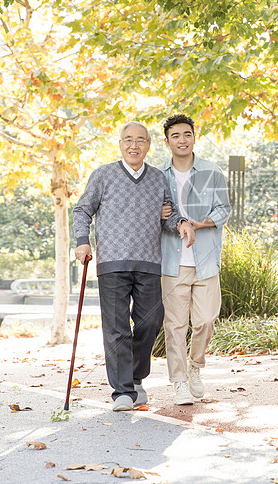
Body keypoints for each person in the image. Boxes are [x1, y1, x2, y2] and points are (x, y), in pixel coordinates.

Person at [73, 121, 195, 412]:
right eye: (128, 140)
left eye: (140, 141)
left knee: (150, 323)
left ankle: (137, 378)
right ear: (120, 144)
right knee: (116, 327)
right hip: (112, 262)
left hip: (149, 261)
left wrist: (180, 223)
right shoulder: (103, 175)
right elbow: (82, 209)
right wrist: (82, 241)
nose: (134, 146)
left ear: (149, 145)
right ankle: (123, 391)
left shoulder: (156, 178)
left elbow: (168, 215)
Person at [159, 114, 231, 405]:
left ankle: (195, 366)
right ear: (167, 142)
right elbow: (152, 213)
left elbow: (223, 210)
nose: (182, 140)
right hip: (171, 262)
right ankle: (179, 382)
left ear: (194, 137)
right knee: (175, 325)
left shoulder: (212, 172)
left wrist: (196, 224)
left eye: (187, 134)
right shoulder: (157, 175)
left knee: (206, 319)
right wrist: (163, 217)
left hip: (206, 258)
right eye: (175, 135)